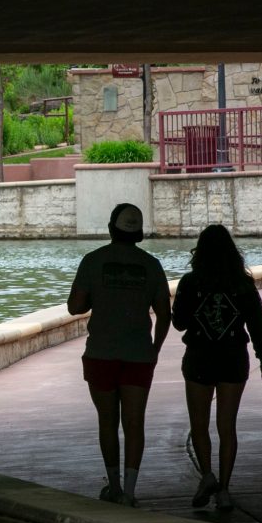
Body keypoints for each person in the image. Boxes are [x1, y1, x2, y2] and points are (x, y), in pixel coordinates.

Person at [67, 203, 171, 507]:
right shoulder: (152, 265)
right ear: (138, 232)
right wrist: (154, 350)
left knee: (108, 422)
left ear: (111, 227)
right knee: (135, 423)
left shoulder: (92, 261)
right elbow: (165, 315)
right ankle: (130, 491)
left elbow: (75, 307)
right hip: (139, 355)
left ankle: (112, 486)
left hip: (101, 354)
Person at [172, 224, 262, 511]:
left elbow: (179, 321)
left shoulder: (190, 283)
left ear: (199, 252)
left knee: (199, 424)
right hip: (233, 357)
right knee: (227, 426)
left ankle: (206, 475)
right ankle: (225, 490)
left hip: (199, 356)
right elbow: (258, 322)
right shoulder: (242, 283)